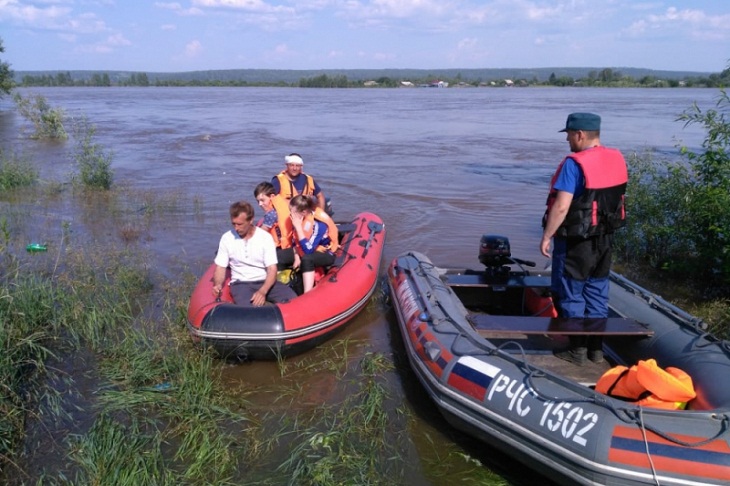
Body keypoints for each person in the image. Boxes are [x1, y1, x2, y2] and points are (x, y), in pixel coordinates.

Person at [540, 113, 628, 365]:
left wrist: (547, 236)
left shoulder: (574, 164)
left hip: (576, 242)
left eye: (568, 134)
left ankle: (576, 349)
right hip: (605, 240)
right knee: (598, 292)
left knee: (570, 293)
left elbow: (561, 206)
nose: (567, 140)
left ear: (579, 135)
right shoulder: (617, 159)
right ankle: (596, 351)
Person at [212, 201, 297, 307]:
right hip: (241, 283)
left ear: (251, 220)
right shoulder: (227, 238)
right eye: (233, 224)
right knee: (249, 312)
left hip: (264, 281)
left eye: (240, 224)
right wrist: (218, 284)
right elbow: (221, 267)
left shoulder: (265, 237)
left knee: (293, 301)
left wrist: (262, 291)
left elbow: (272, 269)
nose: (236, 228)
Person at [278, 195, 339, 294]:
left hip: (324, 252)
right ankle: (281, 287)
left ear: (304, 212)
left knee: (307, 259)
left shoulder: (318, 224)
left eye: (293, 212)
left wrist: (298, 227)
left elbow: (309, 250)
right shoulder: (298, 219)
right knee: (279, 256)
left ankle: (307, 294)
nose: (291, 215)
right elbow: (295, 240)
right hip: (302, 249)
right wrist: (296, 256)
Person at [253, 181, 293, 269]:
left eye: (262, 200)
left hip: (282, 247)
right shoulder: (284, 203)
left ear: (272, 196)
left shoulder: (271, 214)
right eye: (258, 201)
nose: (260, 204)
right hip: (290, 245)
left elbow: (258, 235)